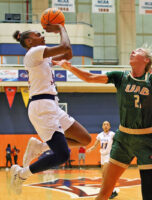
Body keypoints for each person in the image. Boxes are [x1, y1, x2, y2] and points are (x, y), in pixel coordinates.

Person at [55, 48, 152, 200]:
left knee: (149, 196)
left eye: (138, 51)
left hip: (145, 140)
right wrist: (70, 67)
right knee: (104, 192)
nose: (133, 51)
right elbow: (90, 77)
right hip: (123, 139)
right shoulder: (120, 77)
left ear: (145, 60)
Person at [10, 23, 91, 192]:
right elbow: (65, 46)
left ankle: (40, 147)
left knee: (85, 139)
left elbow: (68, 53)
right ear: (30, 41)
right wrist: (61, 28)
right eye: (39, 34)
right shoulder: (33, 53)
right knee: (62, 155)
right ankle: (22, 174)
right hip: (42, 106)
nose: (43, 36)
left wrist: (63, 56)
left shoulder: (42, 56)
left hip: (52, 105)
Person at [87, 121, 118, 199]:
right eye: (104, 124)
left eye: (107, 124)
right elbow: (95, 145)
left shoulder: (112, 134)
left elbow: (117, 143)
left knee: (106, 174)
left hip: (109, 156)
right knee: (104, 176)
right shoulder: (100, 135)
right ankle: (113, 191)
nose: (106, 126)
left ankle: (109, 191)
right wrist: (90, 149)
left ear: (110, 126)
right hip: (102, 156)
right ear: (102, 126)